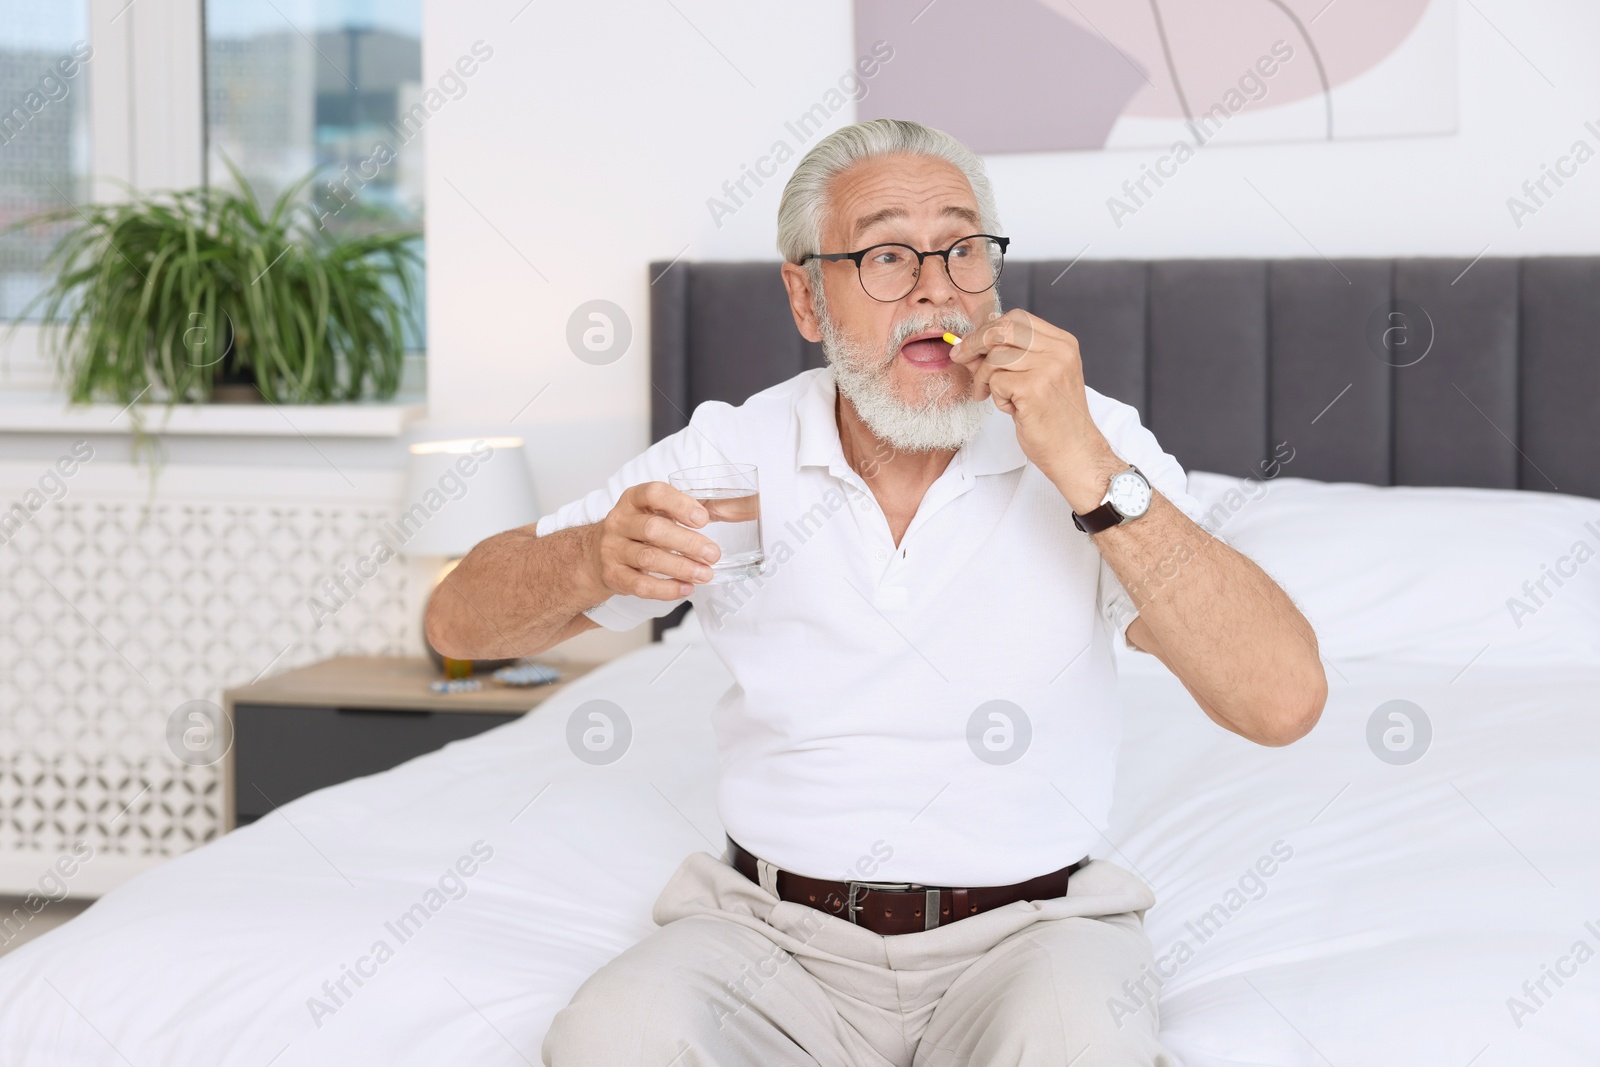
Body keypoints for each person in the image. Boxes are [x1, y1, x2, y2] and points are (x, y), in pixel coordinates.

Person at [426, 118, 1326, 1067]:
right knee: (615, 1035)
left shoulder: (1088, 442)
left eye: (964, 249)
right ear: (806, 296)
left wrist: (1088, 465)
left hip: (1033, 936)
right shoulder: (732, 453)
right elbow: (457, 623)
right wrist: (587, 560)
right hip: (769, 935)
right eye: (889, 254)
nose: (937, 285)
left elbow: (1282, 701)